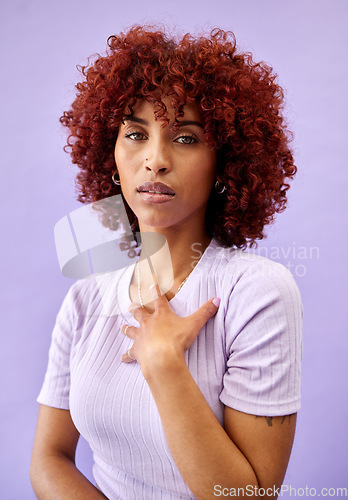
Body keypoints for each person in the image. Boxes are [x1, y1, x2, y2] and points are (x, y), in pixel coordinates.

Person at [30, 25, 303, 499]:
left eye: (185, 138)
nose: (154, 160)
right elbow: (48, 459)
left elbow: (247, 497)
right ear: (110, 154)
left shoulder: (257, 293)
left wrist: (164, 364)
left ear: (226, 162)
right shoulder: (87, 297)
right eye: (136, 134)